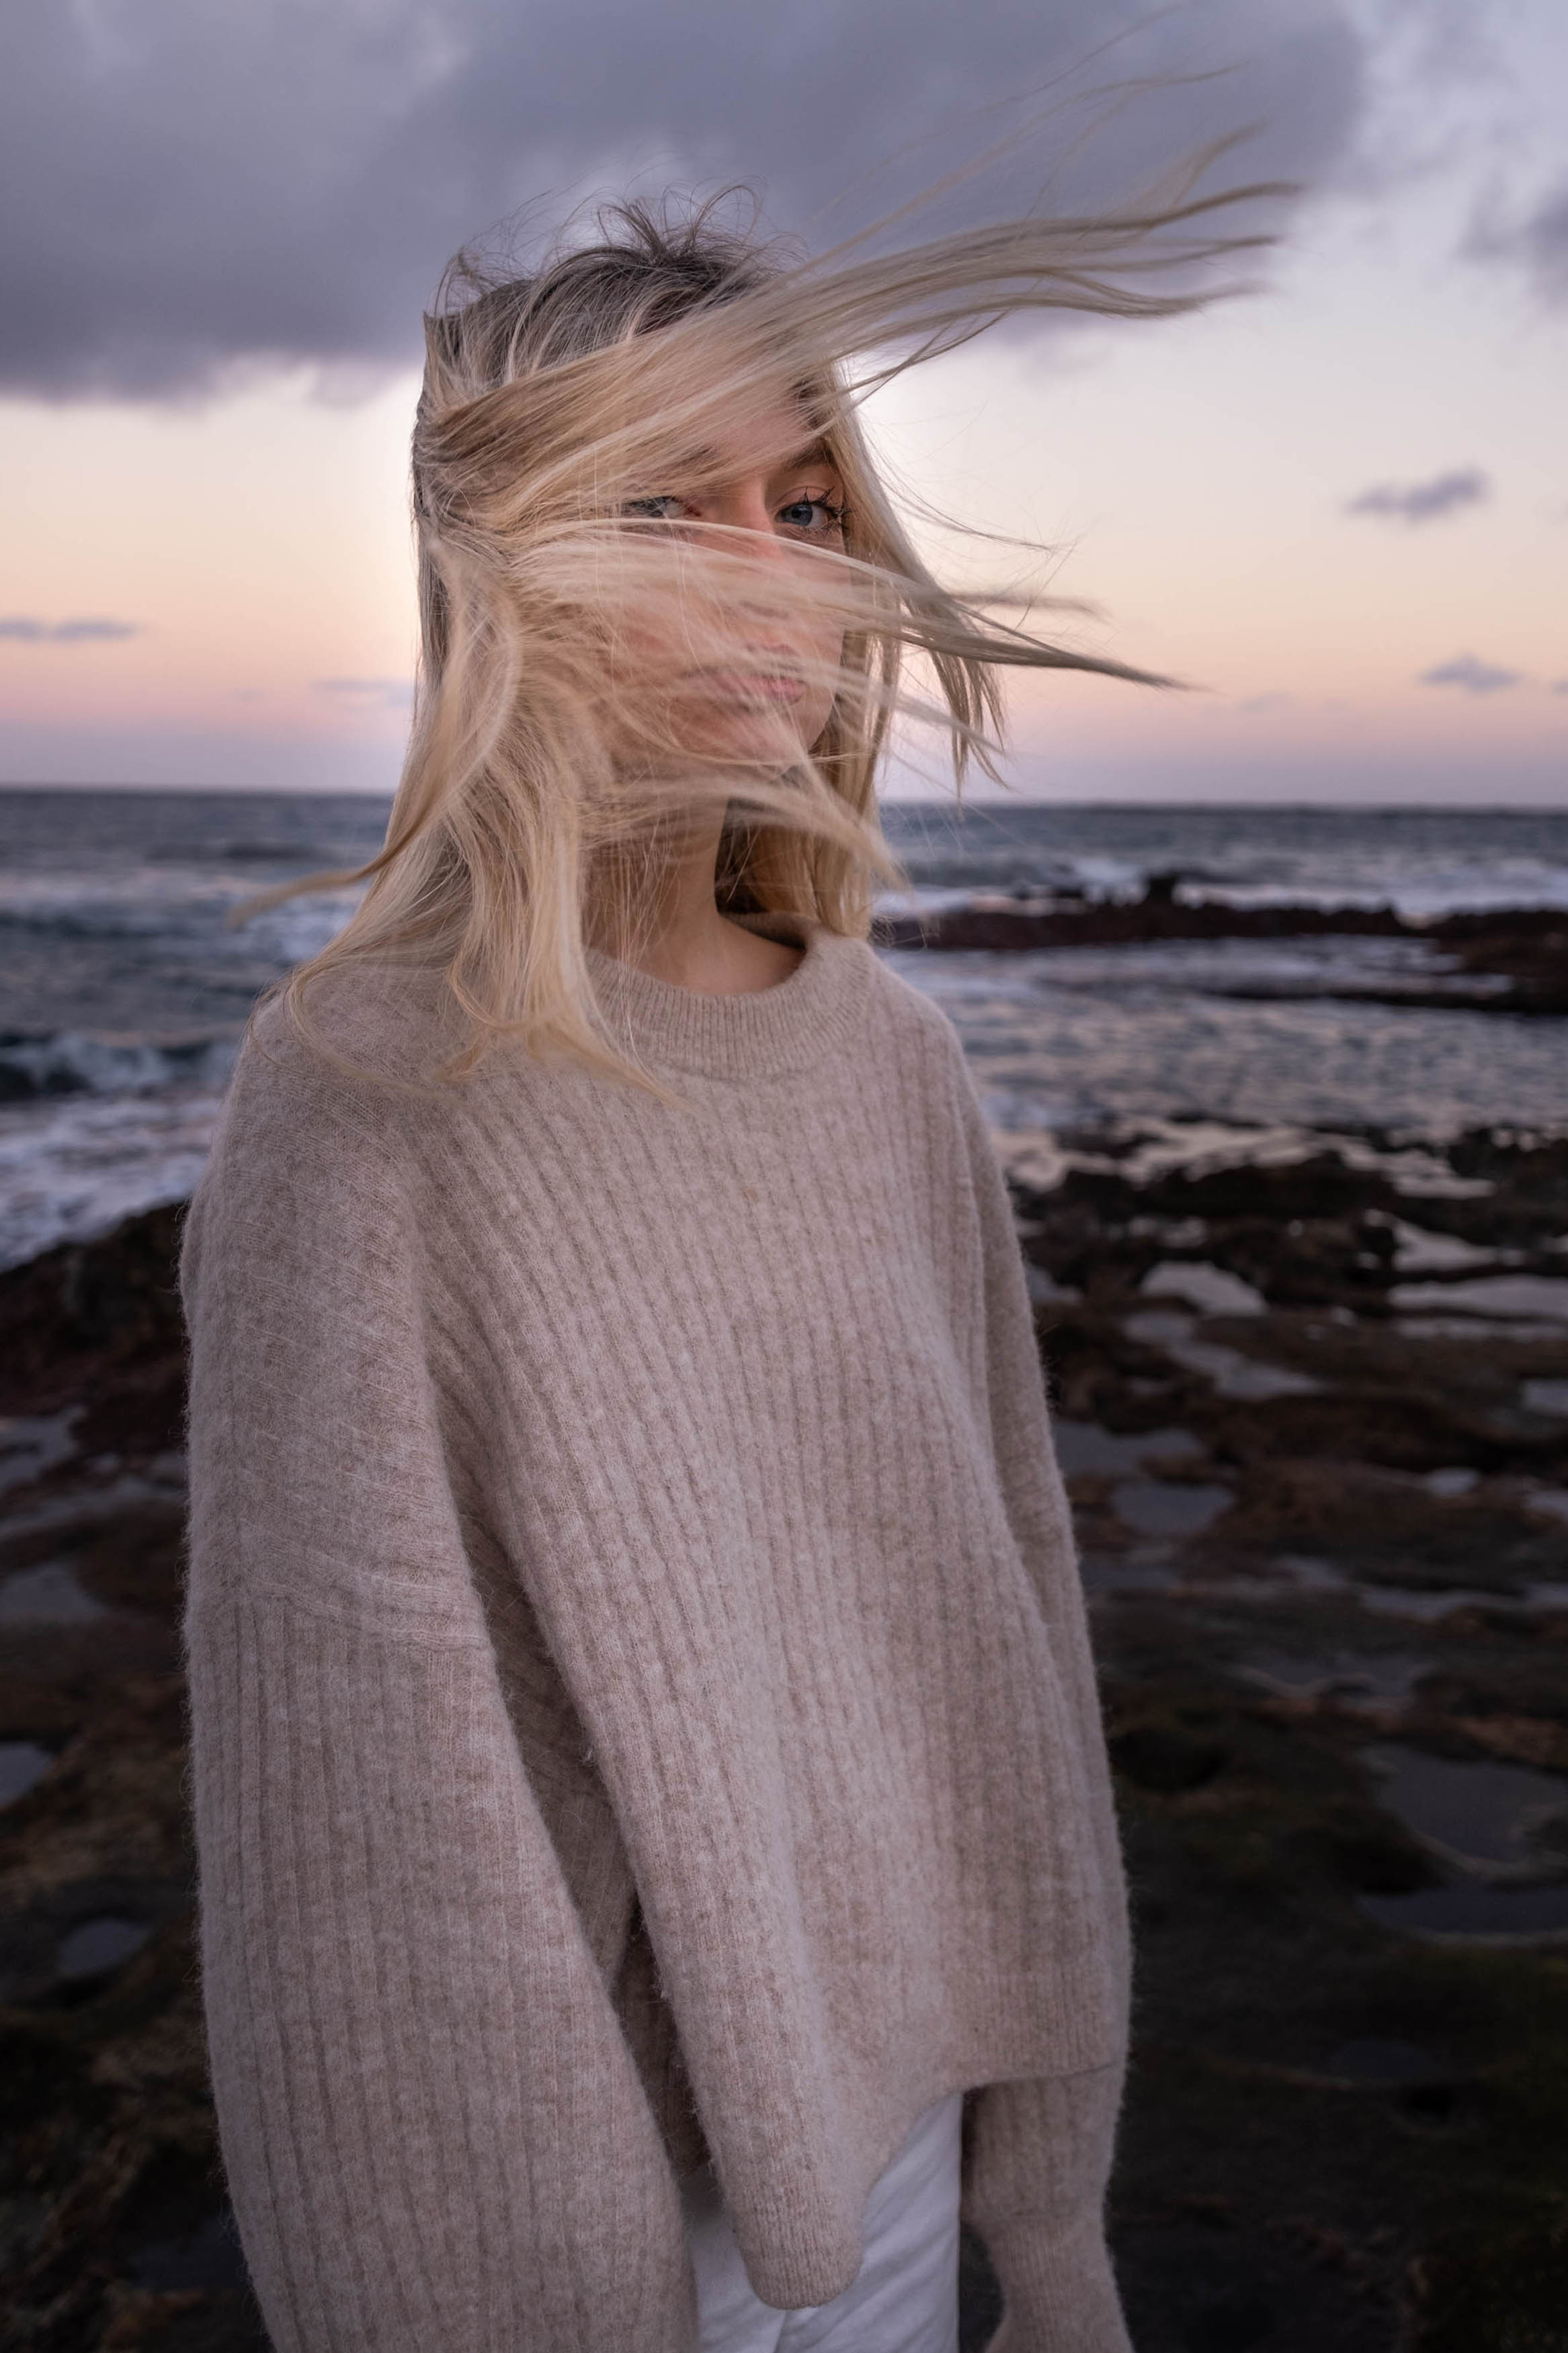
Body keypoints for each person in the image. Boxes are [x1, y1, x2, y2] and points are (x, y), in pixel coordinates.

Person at [182, 175, 1261, 2352]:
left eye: (805, 503)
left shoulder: (894, 1059)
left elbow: (1004, 1626)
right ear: (505, 565)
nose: (780, 586)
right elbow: (371, 1870)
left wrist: (1047, 2214)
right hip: (613, 2231)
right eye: (665, 510)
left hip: (907, 2165)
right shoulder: (369, 1094)